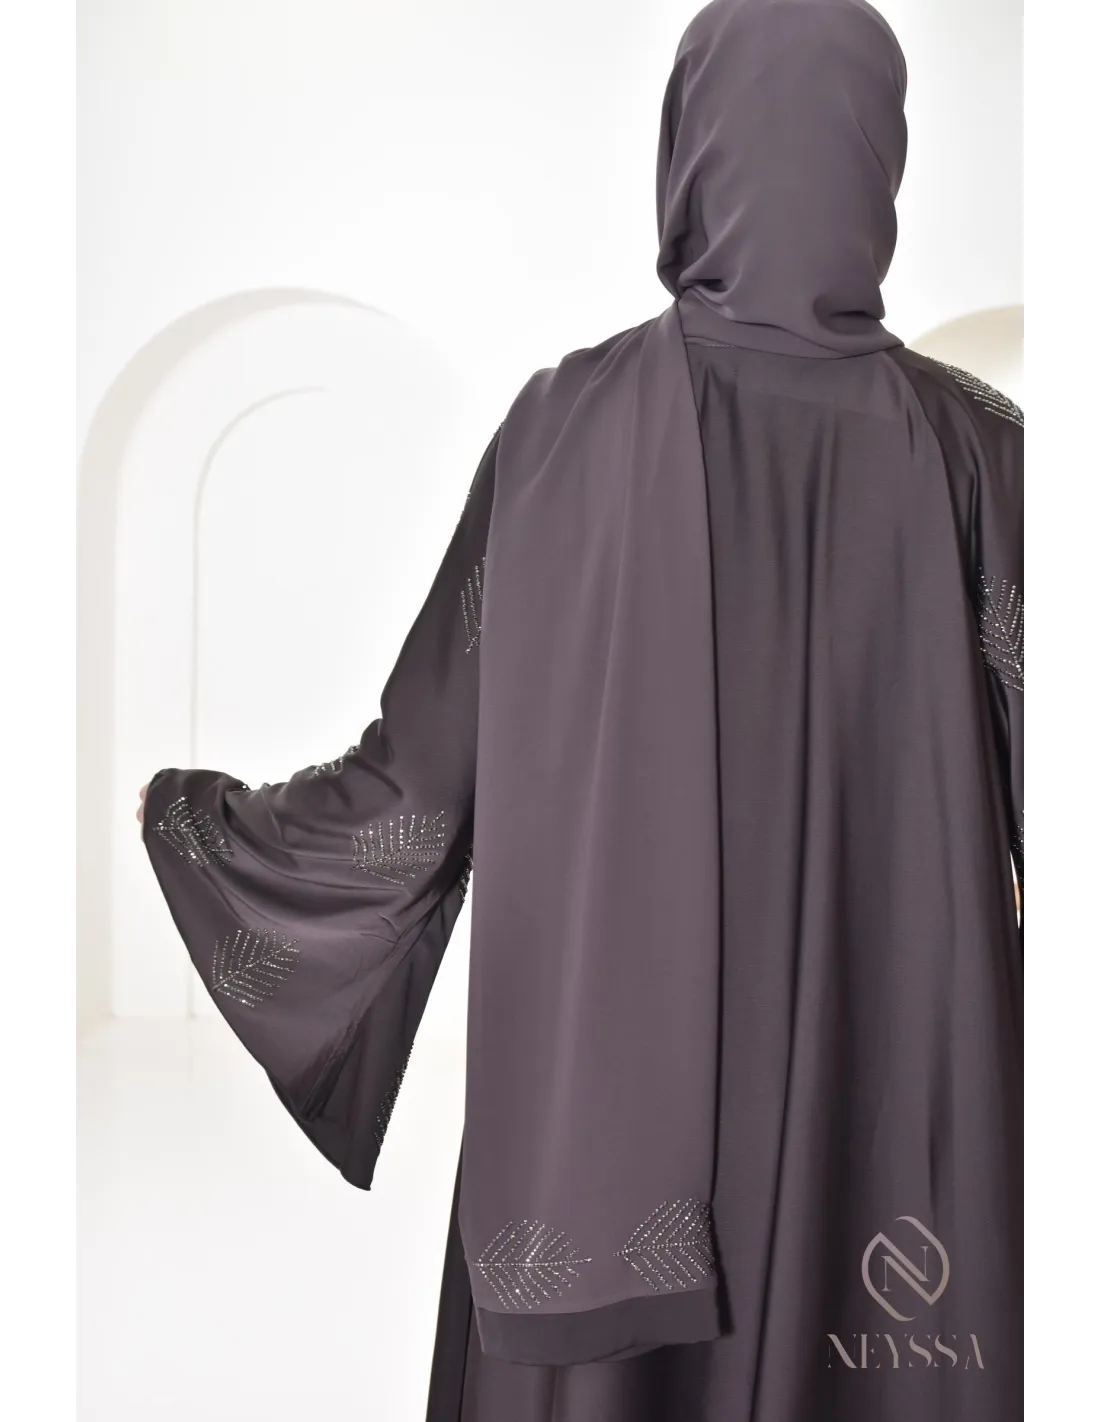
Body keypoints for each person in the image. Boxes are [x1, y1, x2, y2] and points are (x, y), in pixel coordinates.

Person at [137, 1, 1023, 1418]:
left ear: (692, 152)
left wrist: (213, 835)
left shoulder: (566, 427)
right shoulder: (979, 449)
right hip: (888, 1093)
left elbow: (422, 781)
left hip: (608, 1107)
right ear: (878, 154)